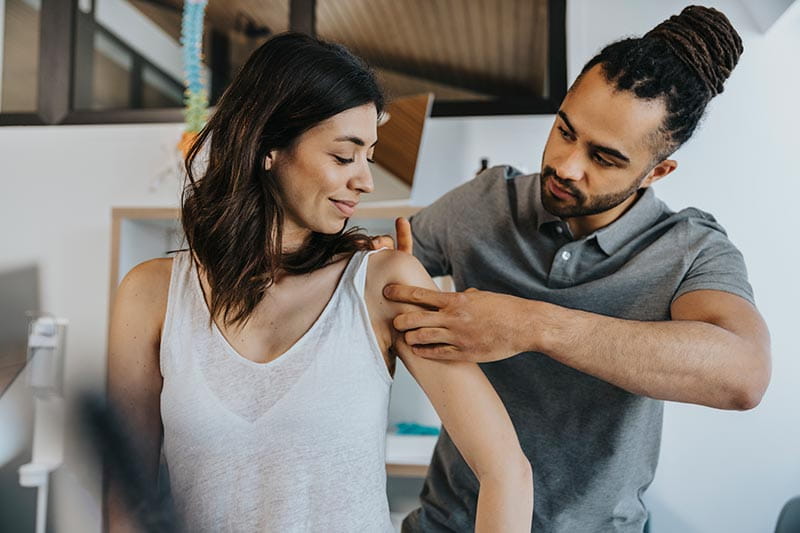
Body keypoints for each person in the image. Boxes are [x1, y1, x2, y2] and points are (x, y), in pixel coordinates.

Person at [106, 33, 532, 532]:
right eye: (344, 156)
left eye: (368, 157)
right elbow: (125, 495)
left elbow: (507, 470)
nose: (366, 181)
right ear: (267, 146)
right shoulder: (150, 294)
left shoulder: (383, 284)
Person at [384, 6, 771, 532]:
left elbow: (744, 375)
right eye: (565, 130)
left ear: (657, 170)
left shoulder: (688, 250)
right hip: (447, 522)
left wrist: (531, 325)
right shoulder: (484, 203)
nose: (566, 165)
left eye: (604, 158)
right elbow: (386, 262)